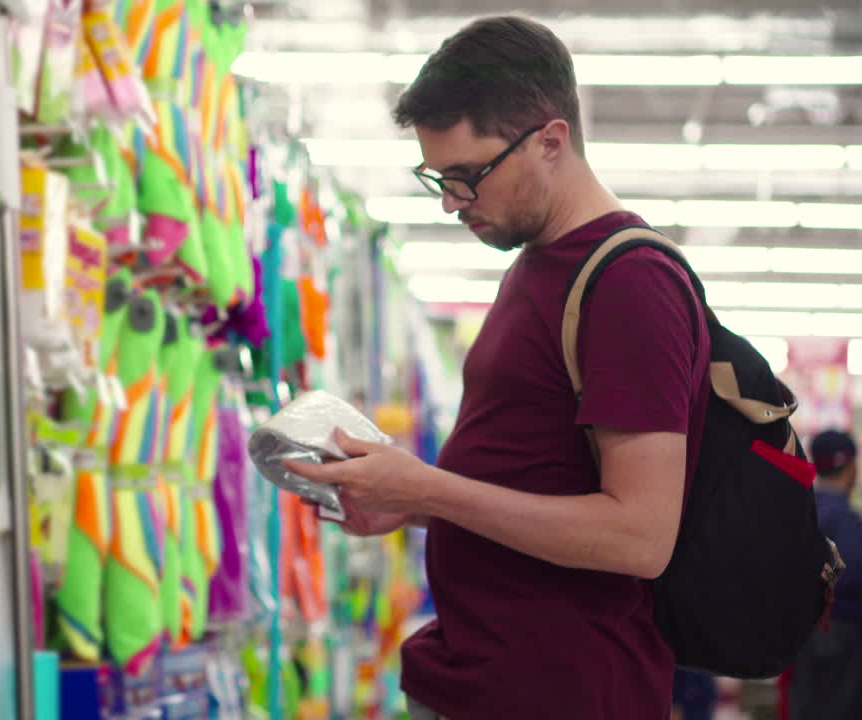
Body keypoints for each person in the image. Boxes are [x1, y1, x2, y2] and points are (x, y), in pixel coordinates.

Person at [286, 14, 712, 720]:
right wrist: (411, 503)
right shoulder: (540, 267)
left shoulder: (628, 282)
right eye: (437, 178)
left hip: (565, 692)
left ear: (551, 141)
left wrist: (431, 488)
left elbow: (639, 536)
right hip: (486, 678)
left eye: (467, 175)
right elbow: (535, 485)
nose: (452, 201)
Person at [788, 429, 862, 720]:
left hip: (800, 633)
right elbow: (853, 576)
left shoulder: (800, 510)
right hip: (841, 634)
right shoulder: (845, 521)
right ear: (852, 466)